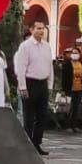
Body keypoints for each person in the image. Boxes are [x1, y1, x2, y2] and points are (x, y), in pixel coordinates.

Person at [14, 20, 53, 155]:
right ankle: (27, 144)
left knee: (42, 116)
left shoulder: (47, 46)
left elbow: (50, 66)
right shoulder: (25, 46)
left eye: (42, 28)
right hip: (30, 83)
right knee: (29, 116)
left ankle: (37, 143)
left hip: (42, 83)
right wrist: (23, 87)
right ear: (32, 30)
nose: (41, 31)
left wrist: (50, 84)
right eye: (38, 28)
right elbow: (21, 67)